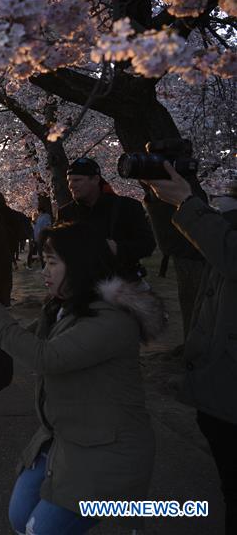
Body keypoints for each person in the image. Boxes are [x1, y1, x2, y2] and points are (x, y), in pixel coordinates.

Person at [0, 221, 162, 534]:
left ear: (80, 263)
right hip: (64, 439)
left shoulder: (112, 319)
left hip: (106, 450)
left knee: (40, 529)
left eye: (51, 263)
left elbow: (47, 357)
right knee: (20, 518)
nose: (43, 272)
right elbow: (32, 342)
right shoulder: (68, 307)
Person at [143, 165, 237, 534]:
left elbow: (230, 254)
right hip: (218, 377)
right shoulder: (227, 216)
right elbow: (182, 245)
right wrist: (161, 201)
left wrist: (186, 201)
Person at [59, 157, 156, 283]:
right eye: (69, 181)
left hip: (125, 283)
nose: (71, 185)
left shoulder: (127, 207)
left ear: (95, 179)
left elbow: (147, 245)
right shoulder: (65, 213)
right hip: (83, 285)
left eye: (77, 180)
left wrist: (117, 249)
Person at [30, 196, 53, 268]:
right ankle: (44, 265)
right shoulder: (41, 217)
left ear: (40, 211)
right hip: (39, 237)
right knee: (41, 252)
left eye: (38, 211)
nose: (38, 213)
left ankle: (46, 265)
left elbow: (47, 225)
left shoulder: (45, 216)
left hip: (43, 236)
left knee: (44, 251)